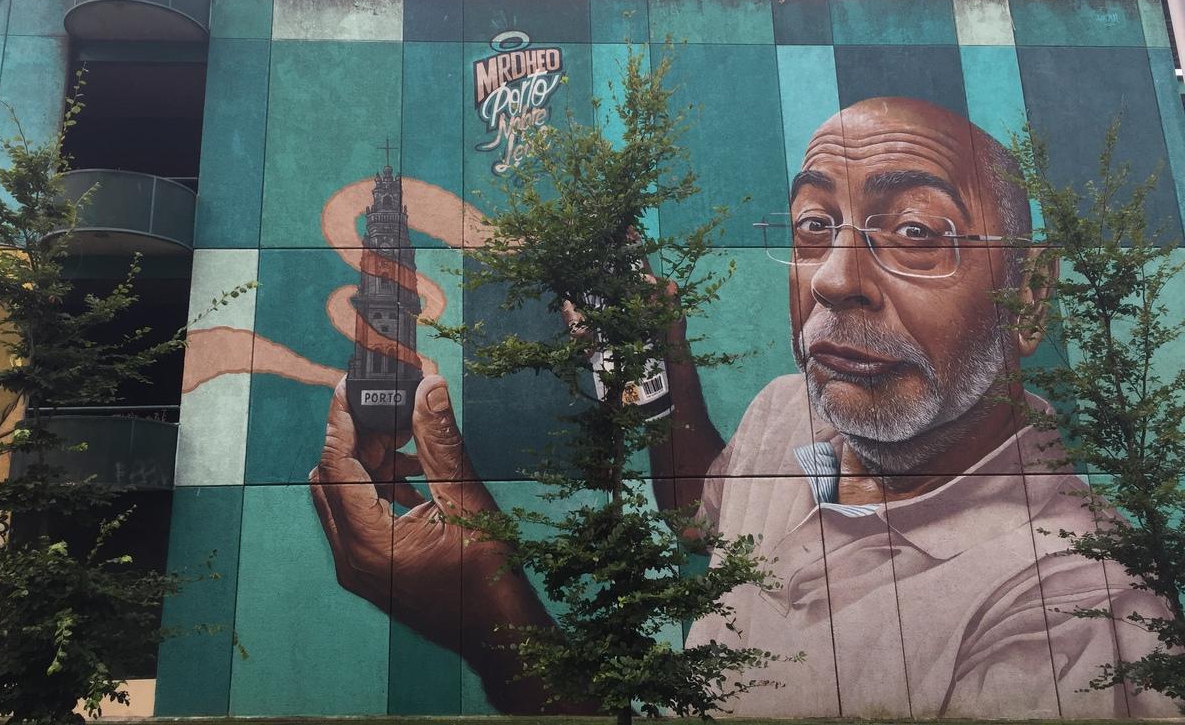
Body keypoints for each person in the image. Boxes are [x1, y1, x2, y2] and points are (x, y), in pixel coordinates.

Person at [309, 97, 1178, 718]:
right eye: (814, 227)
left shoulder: (1073, 617)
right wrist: (665, 367)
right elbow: (705, 515)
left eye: (914, 232)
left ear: (1029, 296)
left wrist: (492, 615)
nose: (833, 279)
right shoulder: (794, 411)